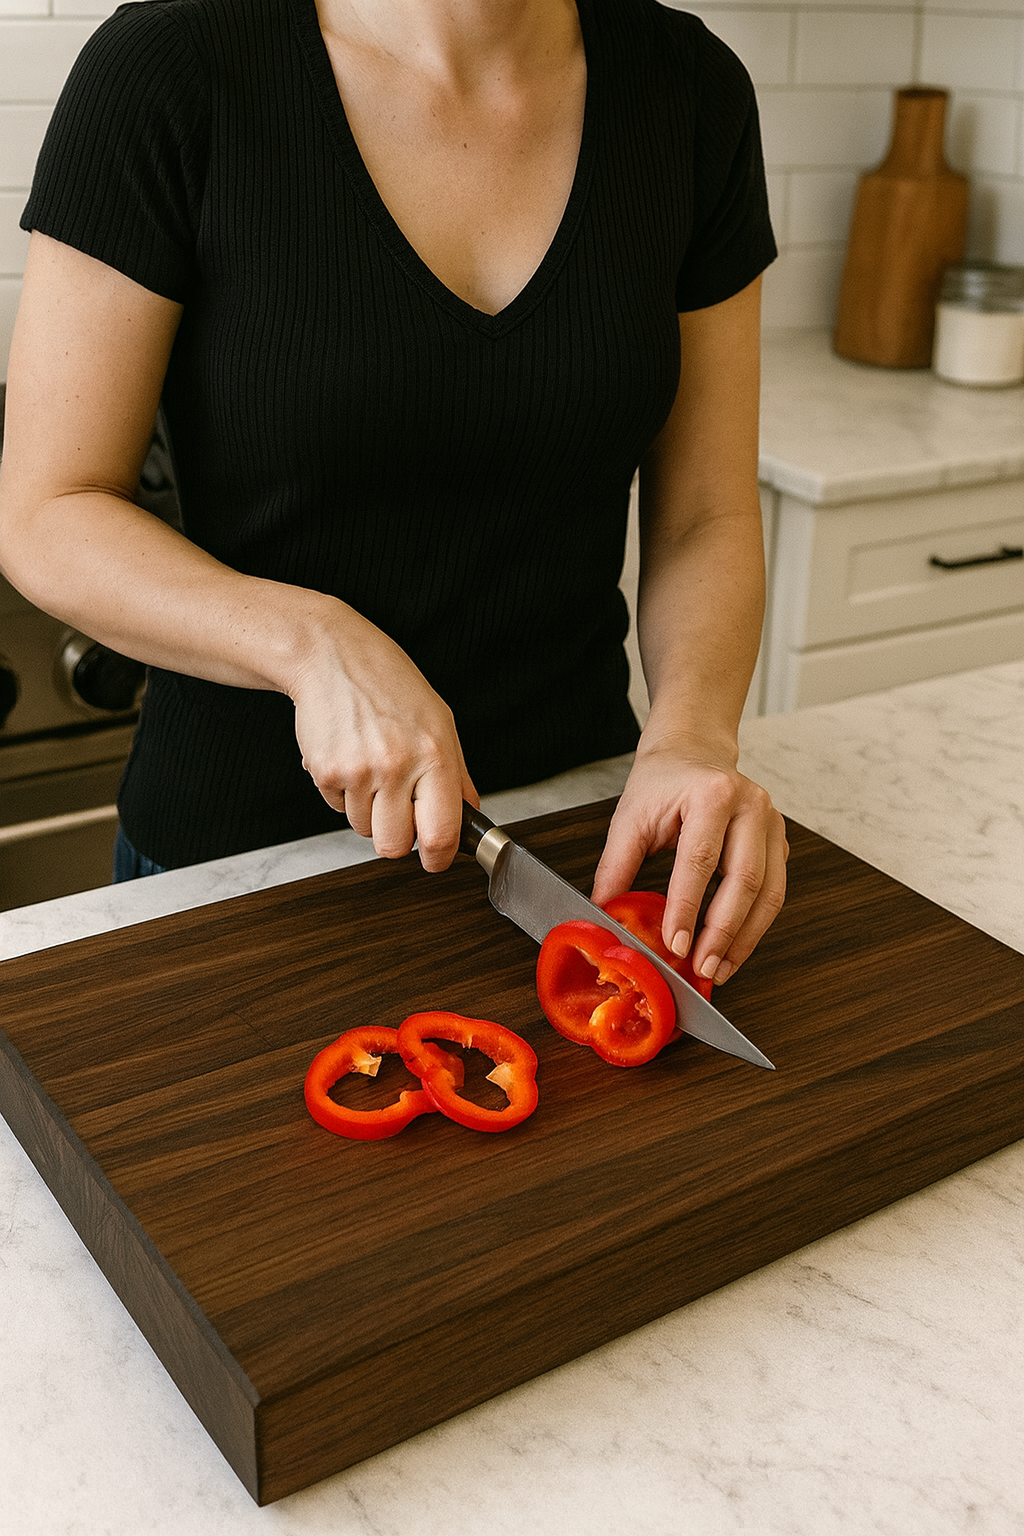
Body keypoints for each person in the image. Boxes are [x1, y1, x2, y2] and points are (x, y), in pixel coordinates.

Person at [0, 0, 787, 987]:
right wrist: (314, 643)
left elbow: (704, 513)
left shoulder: (690, 89)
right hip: (241, 863)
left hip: (577, 841)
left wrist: (692, 738)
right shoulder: (171, 68)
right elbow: (46, 511)